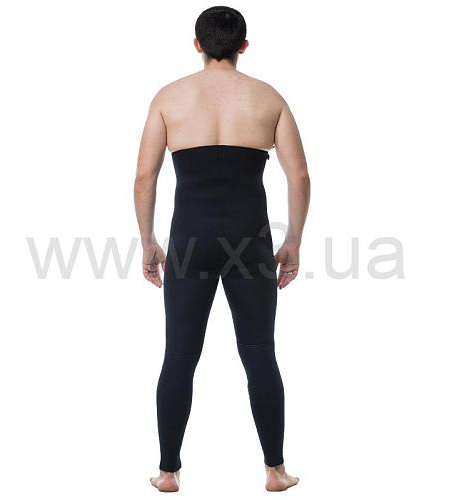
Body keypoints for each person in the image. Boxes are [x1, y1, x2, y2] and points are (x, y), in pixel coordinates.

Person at [134, 6, 310, 493]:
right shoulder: (268, 98)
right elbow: (298, 175)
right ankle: (275, 471)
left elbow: (145, 176)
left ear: (197, 45)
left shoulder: (169, 98)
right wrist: (293, 240)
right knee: (259, 354)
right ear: (243, 46)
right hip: (250, 244)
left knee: (179, 355)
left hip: (189, 242)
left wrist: (148, 241)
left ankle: (168, 472)